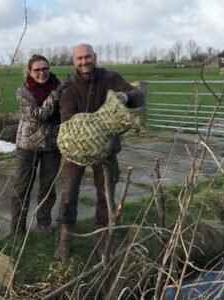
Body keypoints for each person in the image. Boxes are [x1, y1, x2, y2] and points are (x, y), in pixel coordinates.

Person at [55, 43, 144, 260]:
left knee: (106, 193)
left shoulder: (110, 79)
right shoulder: (68, 87)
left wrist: (125, 98)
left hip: (107, 148)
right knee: (69, 194)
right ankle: (65, 238)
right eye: (80, 58)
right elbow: (67, 119)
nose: (84, 61)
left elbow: (138, 96)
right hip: (75, 151)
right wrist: (88, 128)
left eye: (88, 57)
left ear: (94, 57)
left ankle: (104, 237)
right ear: (73, 61)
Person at [11, 54, 61, 236]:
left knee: (48, 188)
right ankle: (17, 230)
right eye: (37, 69)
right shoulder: (23, 92)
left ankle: (43, 225)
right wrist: (54, 96)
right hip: (28, 146)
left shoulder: (60, 85)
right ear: (30, 71)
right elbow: (39, 115)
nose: (42, 72)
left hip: (52, 145)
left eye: (45, 68)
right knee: (22, 188)